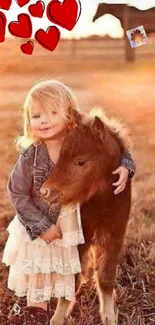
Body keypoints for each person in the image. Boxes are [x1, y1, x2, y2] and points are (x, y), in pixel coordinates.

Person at [1, 79, 136, 325]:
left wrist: (127, 166)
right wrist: (40, 225)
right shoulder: (36, 153)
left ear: (68, 116)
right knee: (53, 263)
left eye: (53, 113)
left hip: (78, 209)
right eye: (37, 115)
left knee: (104, 249)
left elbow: (115, 144)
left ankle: (106, 301)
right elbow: (16, 191)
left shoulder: (78, 136)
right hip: (47, 220)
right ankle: (40, 309)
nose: (44, 120)